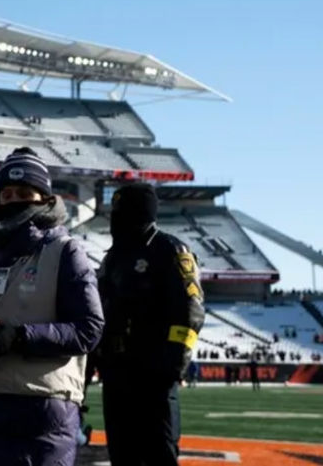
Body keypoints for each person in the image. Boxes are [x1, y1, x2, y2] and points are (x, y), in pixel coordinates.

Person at [0, 148, 104, 466]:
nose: (13, 199)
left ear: (43, 198)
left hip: (38, 406)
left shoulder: (65, 251)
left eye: (24, 192)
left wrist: (19, 337)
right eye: (7, 193)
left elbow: (89, 328)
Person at [97, 182, 204, 466]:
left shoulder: (169, 249)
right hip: (116, 376)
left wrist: (172, 365)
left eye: (123, 212)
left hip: (154, 376)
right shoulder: (112, 259)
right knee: (122, 456)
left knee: (159, 455)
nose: (116, 219)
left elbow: (191, 311)